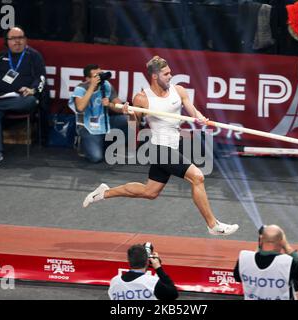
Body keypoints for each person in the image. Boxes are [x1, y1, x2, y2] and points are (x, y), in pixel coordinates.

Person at [83, 56, 239, 236]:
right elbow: (135, 126)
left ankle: (104, 192)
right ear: (155, 76)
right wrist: (130, 113)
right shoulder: (142, 98)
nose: (170, 76)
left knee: (150, 191)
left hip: (173, 146)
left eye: (170, 72)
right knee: (197, 177)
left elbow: (193, 111)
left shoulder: (179, 90)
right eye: (166, 74)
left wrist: (201, 118)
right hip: (158, 149)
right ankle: (213, 225)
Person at [0, 26, 46, 164]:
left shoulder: (33, 55)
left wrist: (32, 90)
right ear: (7, 41)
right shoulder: (0, 57)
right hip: (3, 97)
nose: (17, 41)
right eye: (13, 39)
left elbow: (41, 78)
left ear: (25, 39)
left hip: (23, 98)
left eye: (20, 38)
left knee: (29, 101)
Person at [68, 64, 127, 163]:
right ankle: (84, 144)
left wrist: (110, 105)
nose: (99, 78)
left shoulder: (106, 85)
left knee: (128, 120)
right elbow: (80, 108)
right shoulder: (80, 88)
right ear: (88, 78)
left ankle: (109, 145)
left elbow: (120, 108)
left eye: (101, 74)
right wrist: (92, 87)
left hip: (104, 122)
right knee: (96, 157)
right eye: (96, 76)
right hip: (87, 127)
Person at [233, 225, 298, 300]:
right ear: (281, 241)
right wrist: (287, 246)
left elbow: (238, 278)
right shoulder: (287, 262)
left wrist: (260, 244)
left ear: (261, 240)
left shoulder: (244, 258)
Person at [108, 244, 179, 300]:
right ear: (147, 262)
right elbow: (173, 294)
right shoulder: (152, 282)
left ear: (129, 261)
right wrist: (158, 267)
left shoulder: (114, 282)